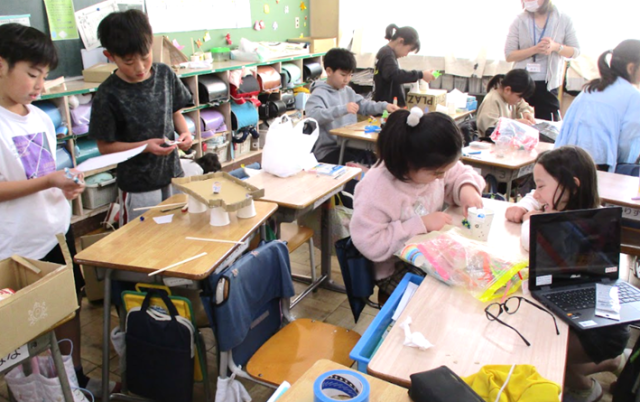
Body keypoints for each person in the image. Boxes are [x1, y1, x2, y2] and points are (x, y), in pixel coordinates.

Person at [0, 23, 118, 396]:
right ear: (1, 65)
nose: (40, 85)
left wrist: (66, 185)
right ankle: (35, 390)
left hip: (55, 233)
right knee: (23, 325)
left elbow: (46, 173)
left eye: (45, 76)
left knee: (68, 307)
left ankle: (75, 377)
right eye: (32, 74)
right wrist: (48, 181)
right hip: (15, 248)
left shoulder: (39, 117)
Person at [506, 146, 629, 402]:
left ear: (571, 185)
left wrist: (532, 218)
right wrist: (532, 205)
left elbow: (529, 239)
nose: (536, 193)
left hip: (598, 331)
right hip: (599, 316)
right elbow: (532, 199)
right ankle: (612, 362)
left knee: (539, 350)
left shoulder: (567, 225)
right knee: (542, 334)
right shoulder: (590, 211)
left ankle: (585, 388)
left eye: (541, 186)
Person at [349, 108, 485, 303]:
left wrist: (467, 189)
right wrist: (421, 224)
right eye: (437, 173)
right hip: (394, 266)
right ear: (407, 163)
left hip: (428, 250)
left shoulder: (432, 165)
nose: (442, 177)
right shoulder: (376, 189)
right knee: (444, 297)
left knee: (471, 272)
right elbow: (369, 242)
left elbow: (458, 173)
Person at [89, 9, 193, 224]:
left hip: (173, 174)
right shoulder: (108, 93)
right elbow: (105, 147)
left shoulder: (165, 74)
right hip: (138, 185)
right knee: (142, 236)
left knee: (178, 227)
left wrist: (185, 133)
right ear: (110, 56)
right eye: (128, 62)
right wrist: (144, 146)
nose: (140, 68)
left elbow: (175, 112)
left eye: (145, 57)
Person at [554, 40, 640, 172]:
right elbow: (628, 143)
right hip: (600, 166)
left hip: (566, 160)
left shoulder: (590, 89)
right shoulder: (632, 96)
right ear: (631, 68)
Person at [306, 47, 398, 165]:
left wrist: (385, 106)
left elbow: (364, 105)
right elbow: (313, 116)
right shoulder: (319, 94)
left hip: (349, 143)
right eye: (343, 75)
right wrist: (343, 109)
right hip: (329, 150)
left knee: (375, 161)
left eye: (350, 75)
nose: (347, 79)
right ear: (329, 71)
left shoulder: (348, 91)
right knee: (357, 165)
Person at [505, 0, 580, 121]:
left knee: (548, 124)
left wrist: (556, 47)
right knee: (523, 123)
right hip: (522, 83)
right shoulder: (519, 20)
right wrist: (534, 49)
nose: (527, 1)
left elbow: (575, 51)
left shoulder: (563, 19)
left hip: (549, 84)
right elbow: (509, 55)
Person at [372, 24, 436, 107]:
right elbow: (394, 75)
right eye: (408, 50)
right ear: (400, 41)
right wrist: (421, 74)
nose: (406, 54)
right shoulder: (387, 54)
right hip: (387, 108)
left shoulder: (387, 53)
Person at [476, 69, 536, 137]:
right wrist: (516, 123)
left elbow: (523, 105)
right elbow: (490, 129)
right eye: (519, 96)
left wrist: (526, 112)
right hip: (490, 142)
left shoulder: (510, 97)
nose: (520, 100)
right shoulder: (491, 100)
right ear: (507, 90)